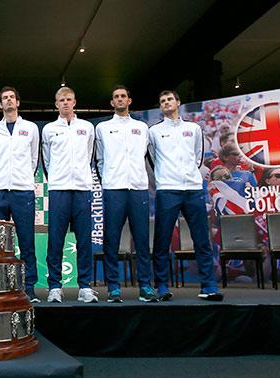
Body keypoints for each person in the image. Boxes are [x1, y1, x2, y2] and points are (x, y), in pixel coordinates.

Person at [149, 90, 223, 301]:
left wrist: (190, 176)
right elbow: (153, 159)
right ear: (160, 106)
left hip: (193, 189)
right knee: (162, 241)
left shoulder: (193, 128)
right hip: (167, 189)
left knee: (201, 240)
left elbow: (198, 157)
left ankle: (208, 286)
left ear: (178, 102)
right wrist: (166, 177)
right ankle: (162, 286)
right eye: (162, 101)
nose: (166, 103)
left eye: (169, 99)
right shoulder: (154, 131)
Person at [95, 85, 156, 303]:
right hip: (114, 188)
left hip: (138, 188)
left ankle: (146, 287)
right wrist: (109, 179)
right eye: (116, 97)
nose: (120, 99)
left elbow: (148, 157)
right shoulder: (102, 127)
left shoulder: (142, 127)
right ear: (112, 103)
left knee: (141, 239)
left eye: (123, 96)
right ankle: (113, 288)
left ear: (129, 100)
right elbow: (99, 159)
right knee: (111, 239)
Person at [42, 87, 97, 303]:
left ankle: (85, 286)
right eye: (61, 100)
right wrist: (56, 178)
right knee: (55, 240)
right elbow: (46, 161)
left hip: (82, 189)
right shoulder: (48, 129)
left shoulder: (87, 127)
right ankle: (54, 286)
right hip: (58, 190)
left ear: (75, 102)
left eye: (69, 99)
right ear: (56, 104)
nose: (65, 103)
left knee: (84, 240)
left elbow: (90, 155)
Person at [0, 86, 41, 303]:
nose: (9, 101)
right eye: (4, 99)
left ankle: (29, 287)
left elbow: (34, 159)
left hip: (23, 191)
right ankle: (0, 286)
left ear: (17, 102)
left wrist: (23, 178)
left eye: (12, 98)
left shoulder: (31, 128)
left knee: (27, 241)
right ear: (0, 105)